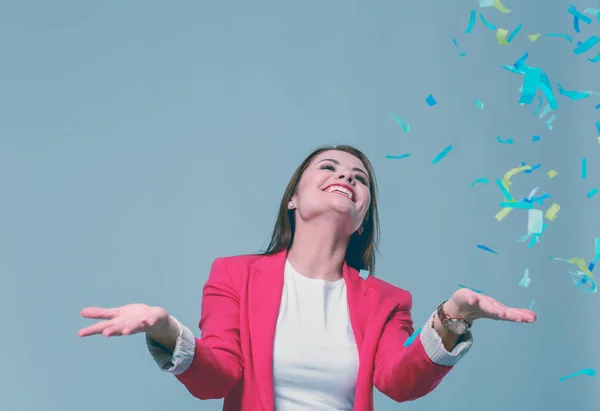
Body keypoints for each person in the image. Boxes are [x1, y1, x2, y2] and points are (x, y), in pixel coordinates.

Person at [78, 144, 536, 411]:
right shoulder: (233, 275)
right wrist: (164, 328)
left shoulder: (388, 300)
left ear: (361, 218)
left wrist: (454, 316)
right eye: (329, 168)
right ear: (293, 198)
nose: (346, 177)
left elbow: (399, 382)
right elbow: (216, 379)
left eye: (359, 178)